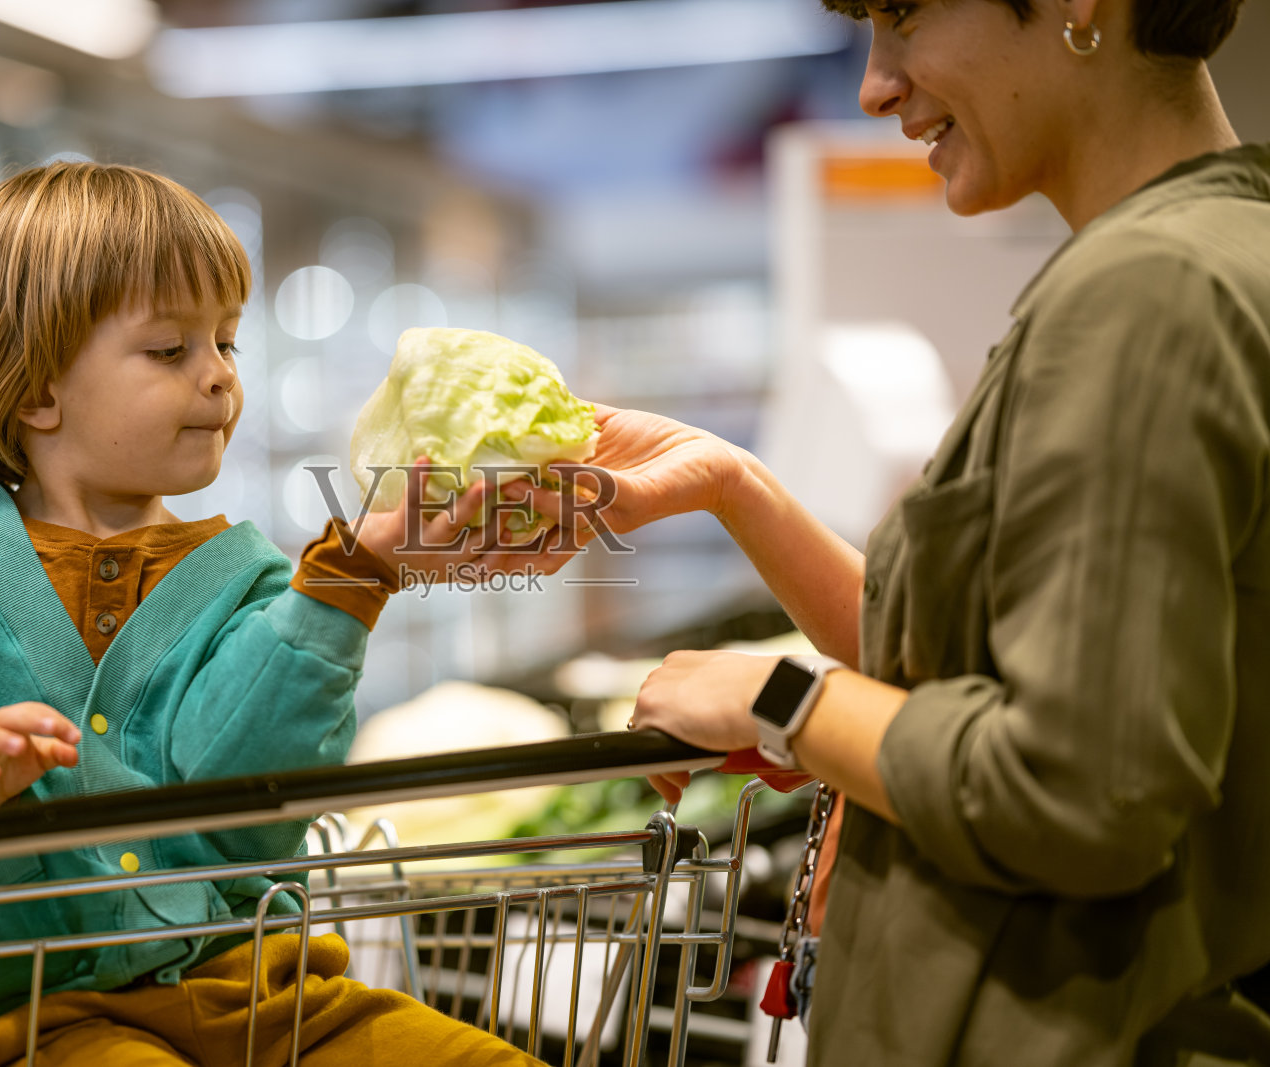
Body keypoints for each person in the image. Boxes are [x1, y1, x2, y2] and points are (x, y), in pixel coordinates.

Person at [528, 0, 1270, 1063]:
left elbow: (1074, 786)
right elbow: (978, 661)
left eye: (905, 15)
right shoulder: (1215, 246)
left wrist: (778, 698)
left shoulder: (1145, 293)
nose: (875, 83)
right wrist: (736, 487)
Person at [0, 162, 545, 1067]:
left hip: (263, 991)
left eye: (227, 344)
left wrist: (354, 579)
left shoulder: (250, 577)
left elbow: (244, 806)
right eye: (171, 351)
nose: (217, 379)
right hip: (30, 1012)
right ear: (34, 390)